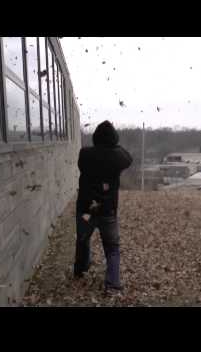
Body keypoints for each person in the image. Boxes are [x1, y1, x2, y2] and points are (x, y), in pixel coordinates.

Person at [74, 120, 133, 296]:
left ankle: (80, 269)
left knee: (82, 240)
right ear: (114, 139)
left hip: (86, 210)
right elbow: (127, 157)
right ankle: (113, 284)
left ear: (95, 137)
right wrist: (114, 144)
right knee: (112, 247)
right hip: (108, 211)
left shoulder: (85, 154)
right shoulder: (117, 157)